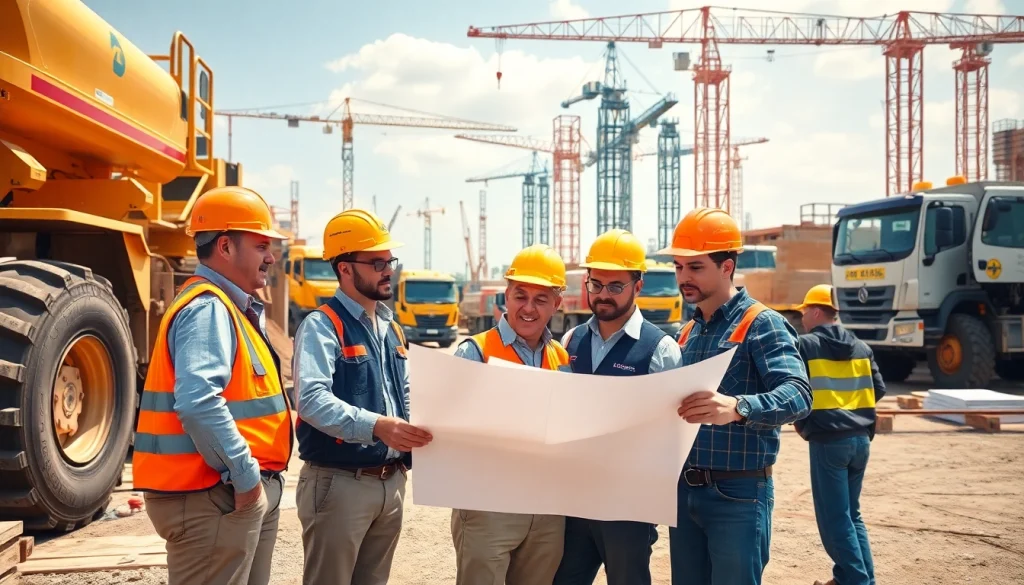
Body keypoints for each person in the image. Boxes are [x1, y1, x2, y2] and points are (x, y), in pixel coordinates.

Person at [133, 186, 293, 585]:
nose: (271, 257)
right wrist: (246, 478)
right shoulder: (209, 308)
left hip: (223, 494)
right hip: (212, 497)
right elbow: (199, 402)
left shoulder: (229, 308)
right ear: (225, 246)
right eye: (260, 246)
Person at [660, 207, 813, 585]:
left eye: (695, 267)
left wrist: (739, 407)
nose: (684, 278)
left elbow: (799, 394)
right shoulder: (687, 333)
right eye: (679, 267)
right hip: (685, 492)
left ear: (727, 266)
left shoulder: (761, 323)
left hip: (738, 495)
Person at [292, 209, 433, 585]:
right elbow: (311, 399)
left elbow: (405, 395)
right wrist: (377, 427)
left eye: (390, 261)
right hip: (340, 484)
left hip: (391, 483)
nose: (388, 270)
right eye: (376, 262)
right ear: (344, 268)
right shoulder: (322, 325)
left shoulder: (392, 330)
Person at [553, 229, 682, 585]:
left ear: (637, 287)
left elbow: (669, 435)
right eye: (596, 284)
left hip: (629, 508)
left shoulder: (661, 350)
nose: (603, 295)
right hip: (574, 502)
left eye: (615, 286)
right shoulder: (570, 340)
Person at [450, 244, 570, 585]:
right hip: (490, 509)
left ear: (557, 304)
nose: (528, 308)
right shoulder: (474, 352)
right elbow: (448, 432)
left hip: (546, 511)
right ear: (506, 295)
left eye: (541, 299)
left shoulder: (562, 358)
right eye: (520, 296)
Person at [794, 285, 884, 585]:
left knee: (834, 520)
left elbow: (792, 386)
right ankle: (853, 578)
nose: (802, 317)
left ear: (817, 312)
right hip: (860, 441)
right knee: (851, 516)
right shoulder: (862, 347)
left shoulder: (806, 345)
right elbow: (879, 389)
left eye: (804, 311)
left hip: (829, 442)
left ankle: (858, 581)